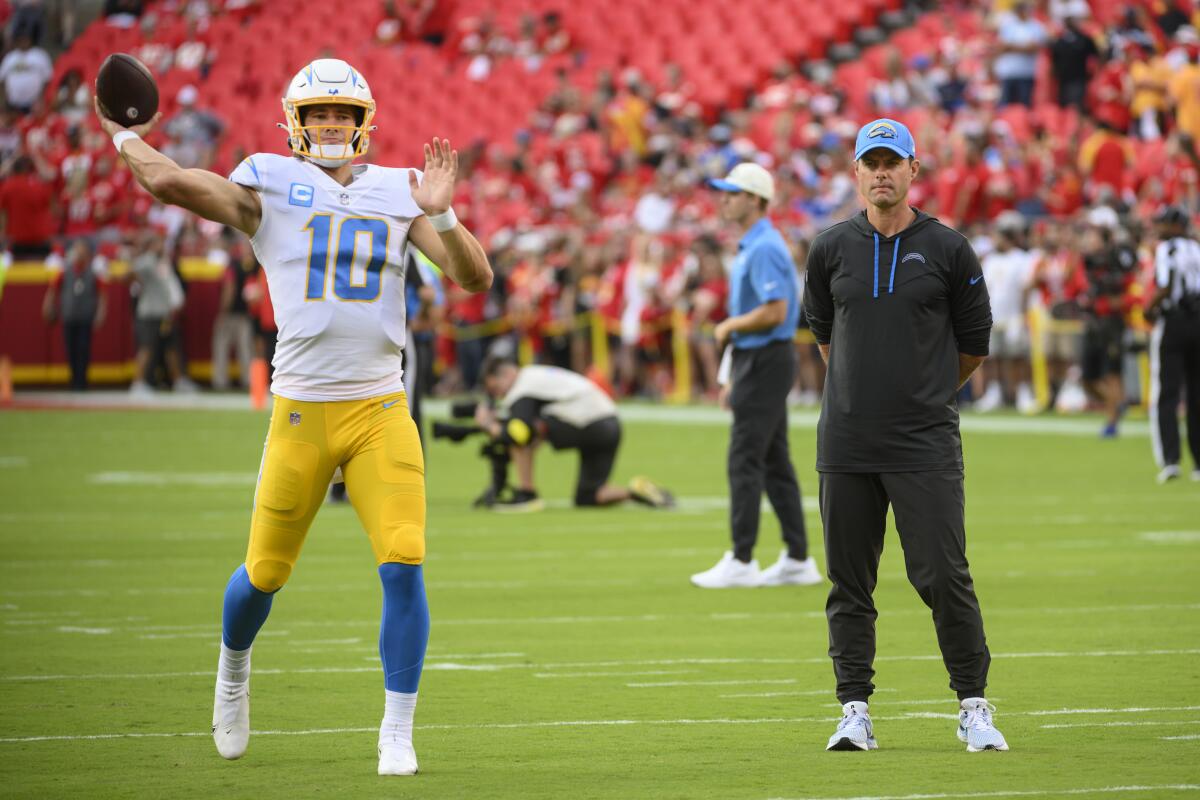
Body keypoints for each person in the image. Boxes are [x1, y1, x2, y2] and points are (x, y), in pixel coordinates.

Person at [96, 57, 493, 776]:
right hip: (303, 411)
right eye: (319, 114)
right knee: (265, 572)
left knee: (404, 560)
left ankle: (397, 730)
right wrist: (127, 138)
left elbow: (473, 279)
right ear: (297, 122)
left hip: (381, 408)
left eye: (342, 113)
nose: (331, 124)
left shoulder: (401, 191)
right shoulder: (268, 179)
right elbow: (170, 182)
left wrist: (442, 211)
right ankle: (233, 670)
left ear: (363, 120)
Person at [803, 118, 1007, 753]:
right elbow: (825, 333)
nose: (882, 172)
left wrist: (921, 394)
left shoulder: (948, 249)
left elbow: (974, 345)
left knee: (944, 574)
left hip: (924, 441)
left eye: (894, 161)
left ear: (915, 170)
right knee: (848, 580)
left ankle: (974, 705)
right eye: (872, 161)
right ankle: (853, 710)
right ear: (857, 172)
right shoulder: (830, 247)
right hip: (846, 443)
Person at [689, 161, 819, 590]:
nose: (724, 199)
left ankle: (742, 558)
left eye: (733, 192)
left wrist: (729, 326)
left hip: (764, 358)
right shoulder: (756, 244)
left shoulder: (764, 246)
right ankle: (797, 557)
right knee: (774, 460)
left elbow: (776, 311)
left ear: (756, 200)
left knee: (744, 458)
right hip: (757, 360)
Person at [475, 355, 674, 511]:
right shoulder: (535, 375)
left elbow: (517, 434)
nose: (499, 395)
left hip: (589, 423)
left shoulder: (522, 386)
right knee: (588, 497)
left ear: (506, 374)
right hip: (610, 424)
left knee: (523, 433)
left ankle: (527, 494)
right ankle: (635, 493)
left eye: (496, 388)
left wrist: (487, 424)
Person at [1145, 206, 1200, 483]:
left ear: (1176, 225)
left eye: (1165, 222)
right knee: (1196, 393)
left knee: (1166, 392)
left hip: (1175, 322)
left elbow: (1164, 286)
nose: (1160, 227)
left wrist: (1148, 308)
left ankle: (1170, 460)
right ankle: (1198, 462)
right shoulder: (1197, 247)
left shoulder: (1166, 249)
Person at [41, 239, 107, 391]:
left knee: (83, 348)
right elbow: (52, 291)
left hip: (85, 316)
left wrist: (100, 314)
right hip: (69, 315)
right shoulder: (65, 272)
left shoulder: (93, 272)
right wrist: (47, 307)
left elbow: (102, 295)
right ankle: (74, 379)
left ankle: (82, 380)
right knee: (70, 348)